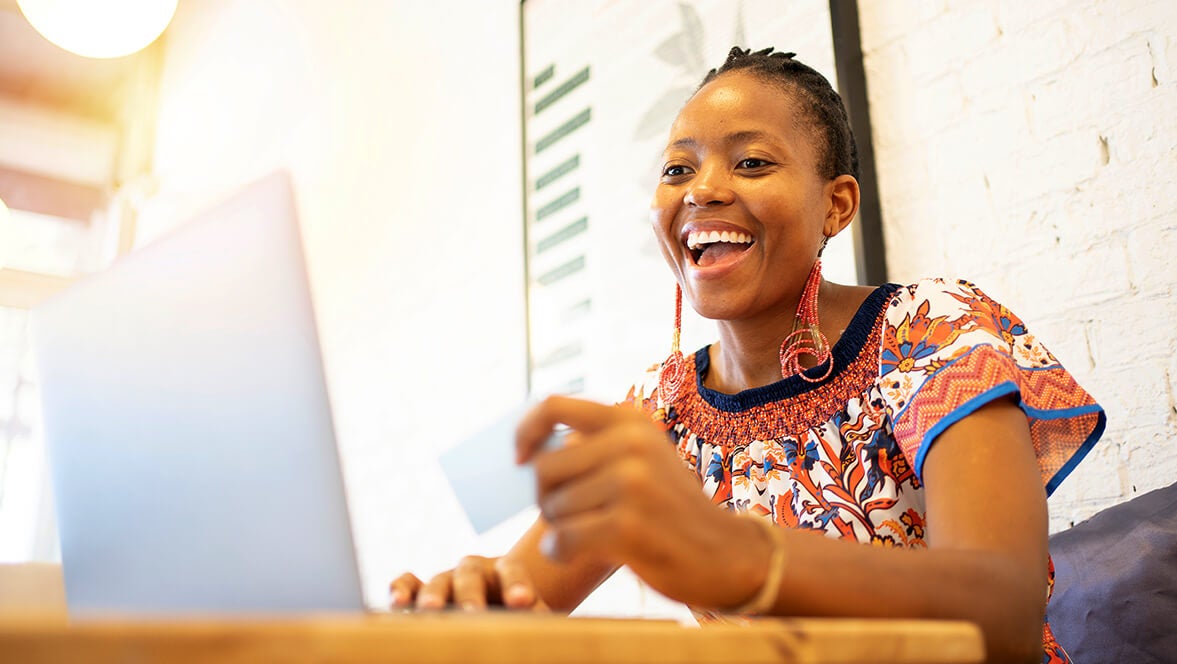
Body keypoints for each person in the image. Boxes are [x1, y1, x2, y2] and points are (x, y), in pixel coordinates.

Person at [391, 47, 1104, 664]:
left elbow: (1004, 617)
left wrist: (747, 562)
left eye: (752, 161)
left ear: (835, 205)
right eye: (677, 170)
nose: (702, 190)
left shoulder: (929, 331)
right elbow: (523, 602)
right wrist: (472, 601)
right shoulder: (657, 416)